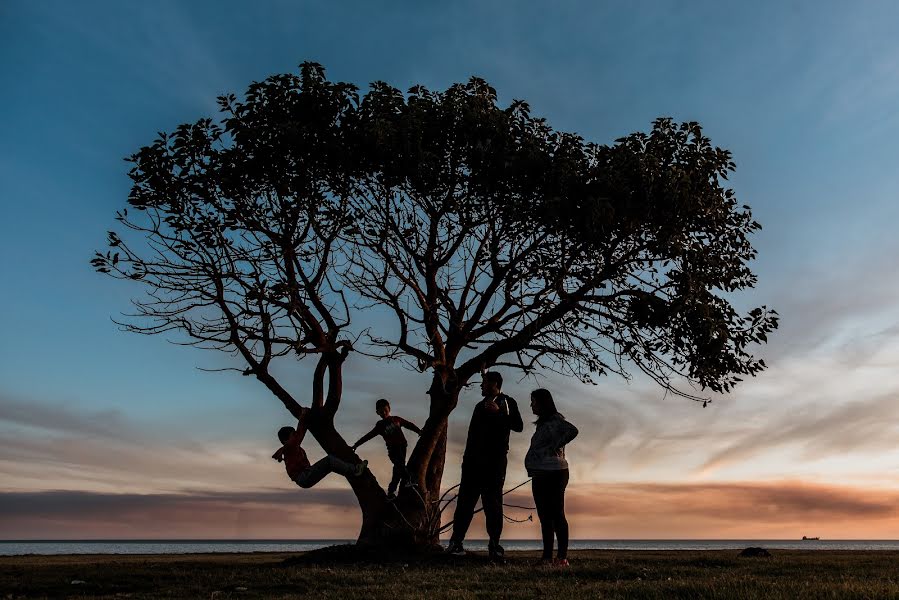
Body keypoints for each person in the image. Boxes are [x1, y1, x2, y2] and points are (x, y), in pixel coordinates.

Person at [446, 371, 523, 561]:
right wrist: (466, 459)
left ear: (495, 383)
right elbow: (472, 435)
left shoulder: (507, 402)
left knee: (493, 504)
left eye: (484, 382)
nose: (481, 386)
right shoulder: (479, 406)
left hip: (495, 464)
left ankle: (494, 546)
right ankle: (456, 543)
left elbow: (518, 425)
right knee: (465, 503)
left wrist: (499, 414)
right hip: (472, 463)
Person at [524, 388, 578, 567]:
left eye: (533, 401)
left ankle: (561, 558)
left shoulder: (556, 420)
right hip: (541, 472)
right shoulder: (543, 424)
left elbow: (572, 430)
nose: (531, 404)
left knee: (556, 514)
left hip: (554, 472)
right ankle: (547, 557)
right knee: (545, 516)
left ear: (542, 402)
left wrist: (553, 446)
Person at [273, 406, 368, 488]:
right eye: (293, 435)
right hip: (304, 477)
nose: (295, 436)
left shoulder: (290, 448)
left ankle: (350, 472)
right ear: (286, 440)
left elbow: (296, 438)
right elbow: (300, 432)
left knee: (331, 464)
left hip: (305, 476)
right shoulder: (290, 446)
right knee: (329, 460)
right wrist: (303, 415)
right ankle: (355, 470)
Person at [351, 398, 422, 499]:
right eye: (380, 411)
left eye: (385, 409)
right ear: (377, 413)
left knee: (398, 468)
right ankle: (408, 480)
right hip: (392, 450)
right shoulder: (380, 425)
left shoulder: (396, 419)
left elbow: (408, 424)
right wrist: (356, 445)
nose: (383, 412)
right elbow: (369, 436)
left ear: (389, 408)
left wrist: (418, 431)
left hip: (402, 447)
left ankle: (392, 491)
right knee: (399, 466)